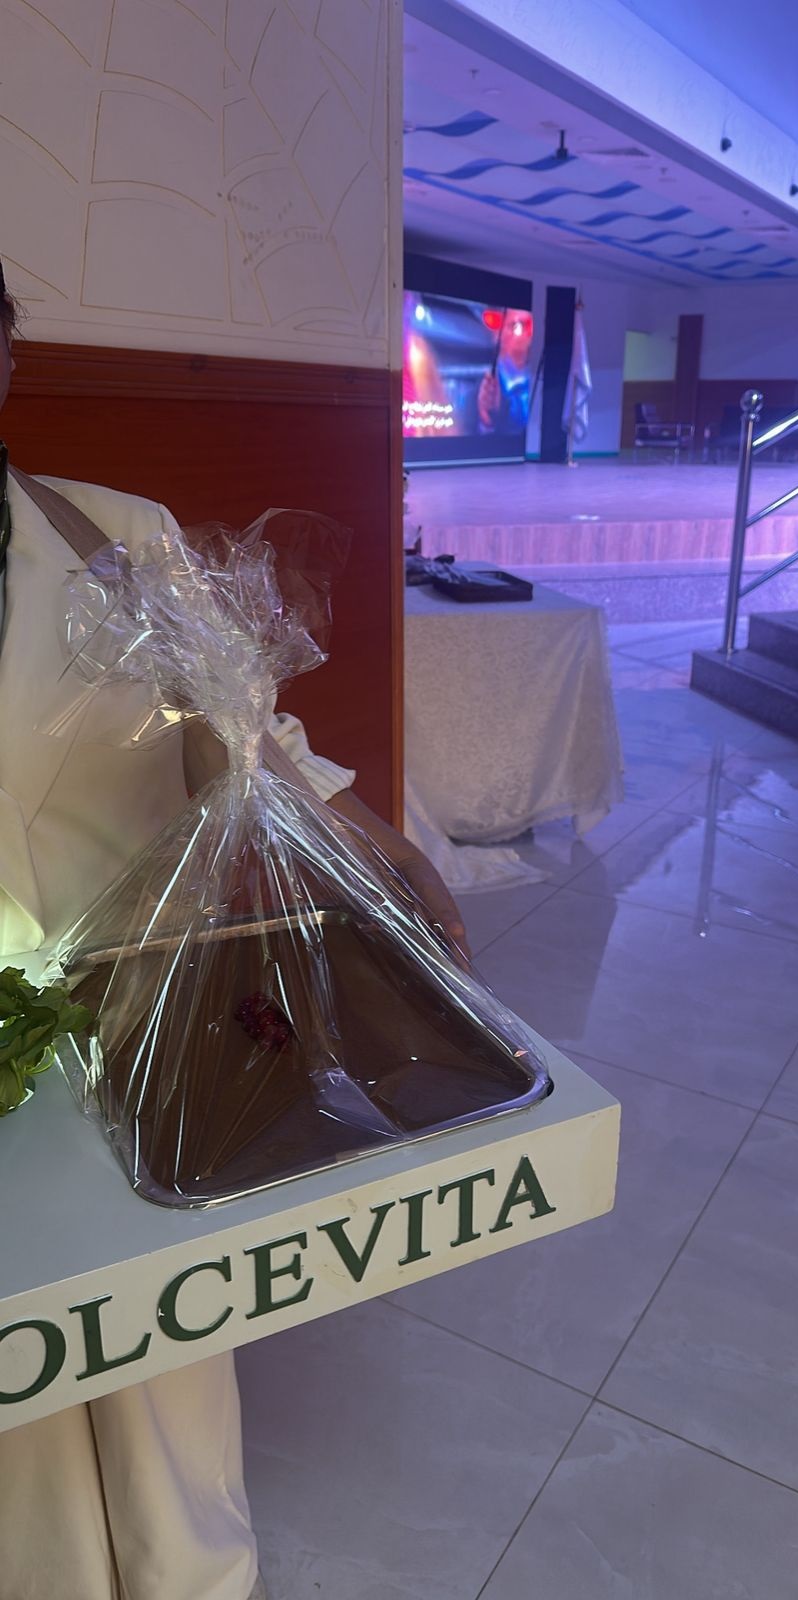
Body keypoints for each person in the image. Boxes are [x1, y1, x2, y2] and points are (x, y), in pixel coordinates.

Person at [0, 261, 467, 1600]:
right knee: (21, 1366)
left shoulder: (116, 539)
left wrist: (387, 858)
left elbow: (252, 736)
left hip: (139, 1010)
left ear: (9, 353)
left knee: (162, 1350)